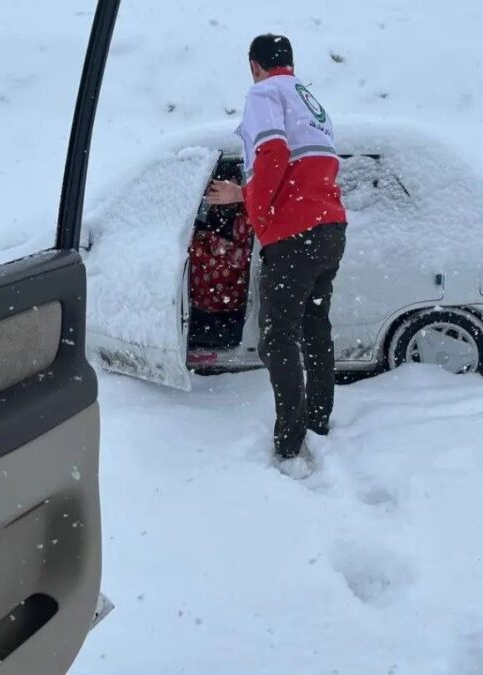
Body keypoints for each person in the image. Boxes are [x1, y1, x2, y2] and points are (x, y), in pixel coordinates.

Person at [206, 33, 347, 476]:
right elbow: (306, 165)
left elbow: (272, 153)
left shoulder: (264, 93)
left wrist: (258, 211)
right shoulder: (308, 100)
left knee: (277, 337)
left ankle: (289, 441)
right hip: (330, 228)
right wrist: (249, 196)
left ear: (254, 65)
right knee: (314, 326)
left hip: (295, 234)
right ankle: (318, 419)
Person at [188, 202, 254, 349]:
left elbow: (240, 257)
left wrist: (210, 240)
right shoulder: (210, 208)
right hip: (200, 310)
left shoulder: (243, 215)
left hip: (227, 312)